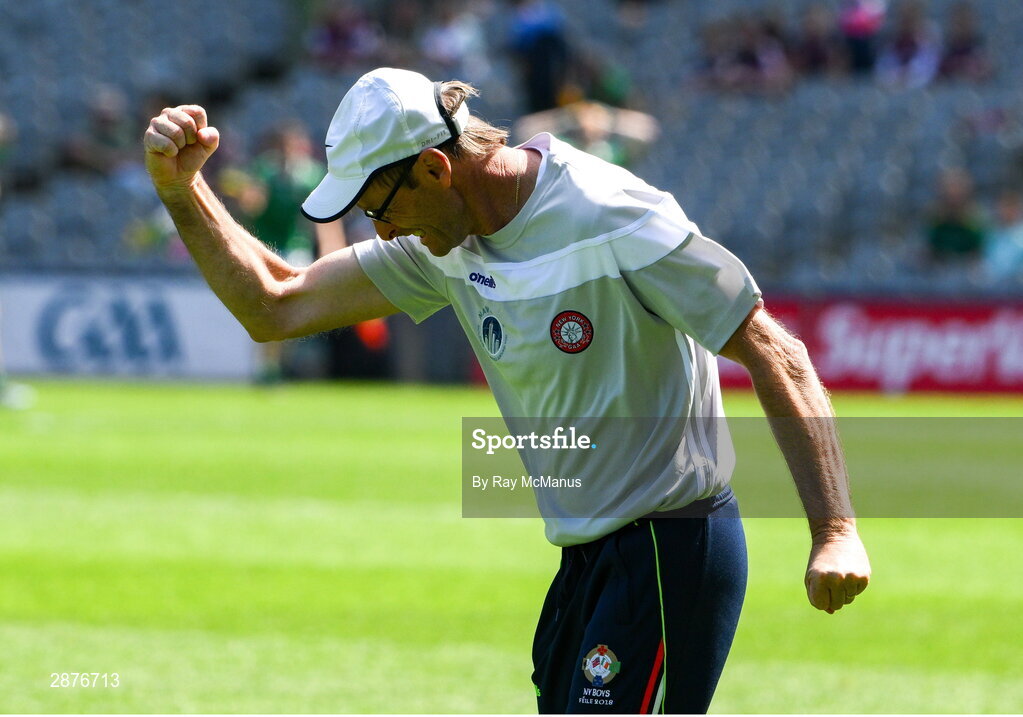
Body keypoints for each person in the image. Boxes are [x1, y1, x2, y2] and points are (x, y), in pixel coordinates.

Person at [143, 68, 870, 713]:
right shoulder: (443, 243)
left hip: (668, 549)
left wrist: (834, 530)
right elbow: (276, 303)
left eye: (378, 206)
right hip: (584, 562)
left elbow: (778, 350)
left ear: (433, 168)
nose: (381, 227)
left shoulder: (612, 213)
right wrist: (184, 190)